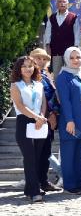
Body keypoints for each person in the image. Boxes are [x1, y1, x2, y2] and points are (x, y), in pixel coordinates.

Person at [10, 56, 48, 203]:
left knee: (38, 157)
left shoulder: (39, 84)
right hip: (24, 121)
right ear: (19, 69)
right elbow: (20, 106)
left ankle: (28, 188)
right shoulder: (16, 85)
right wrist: (36, 117)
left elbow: (43, 103)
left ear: (35, 68)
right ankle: (34, 191)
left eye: (30, 66)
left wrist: (42, 117)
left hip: (40, 121)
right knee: (30, 158)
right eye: (24, 66)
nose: (28, 69)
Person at [55, 47, 81, 195]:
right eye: (72, 58)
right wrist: (70, 121)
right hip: (70, 121)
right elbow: (65, 101)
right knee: (69, 154)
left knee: (79, 155)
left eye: (78, 57)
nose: (76, 60)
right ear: (66, 59)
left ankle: (79, 182)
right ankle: (70, 185)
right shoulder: (63, 76)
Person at [29, 49, 62, 191]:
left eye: (44, 59)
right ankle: (34, 183)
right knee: (37, 153)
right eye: (38, 58)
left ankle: (43, 181)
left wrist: (54, 113)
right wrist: (49, 114)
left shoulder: (46, 75)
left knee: (46, 152)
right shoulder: (31, 76)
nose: (41, 61)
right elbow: (36, 99)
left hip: (49, 118)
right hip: (37, 118)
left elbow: (53, 96)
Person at [44, 0, 81, 74]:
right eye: (60, 2)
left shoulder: (73, 17)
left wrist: (76, 48)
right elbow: (48, 33)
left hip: (70, 52)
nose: (62, 4)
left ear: (68, 4)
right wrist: (47, 46)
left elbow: (77, 34)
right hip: (56, 51)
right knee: (57, 74)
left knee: (71, 72)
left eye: (64, 2)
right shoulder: (52, 17)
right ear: (56, 4)